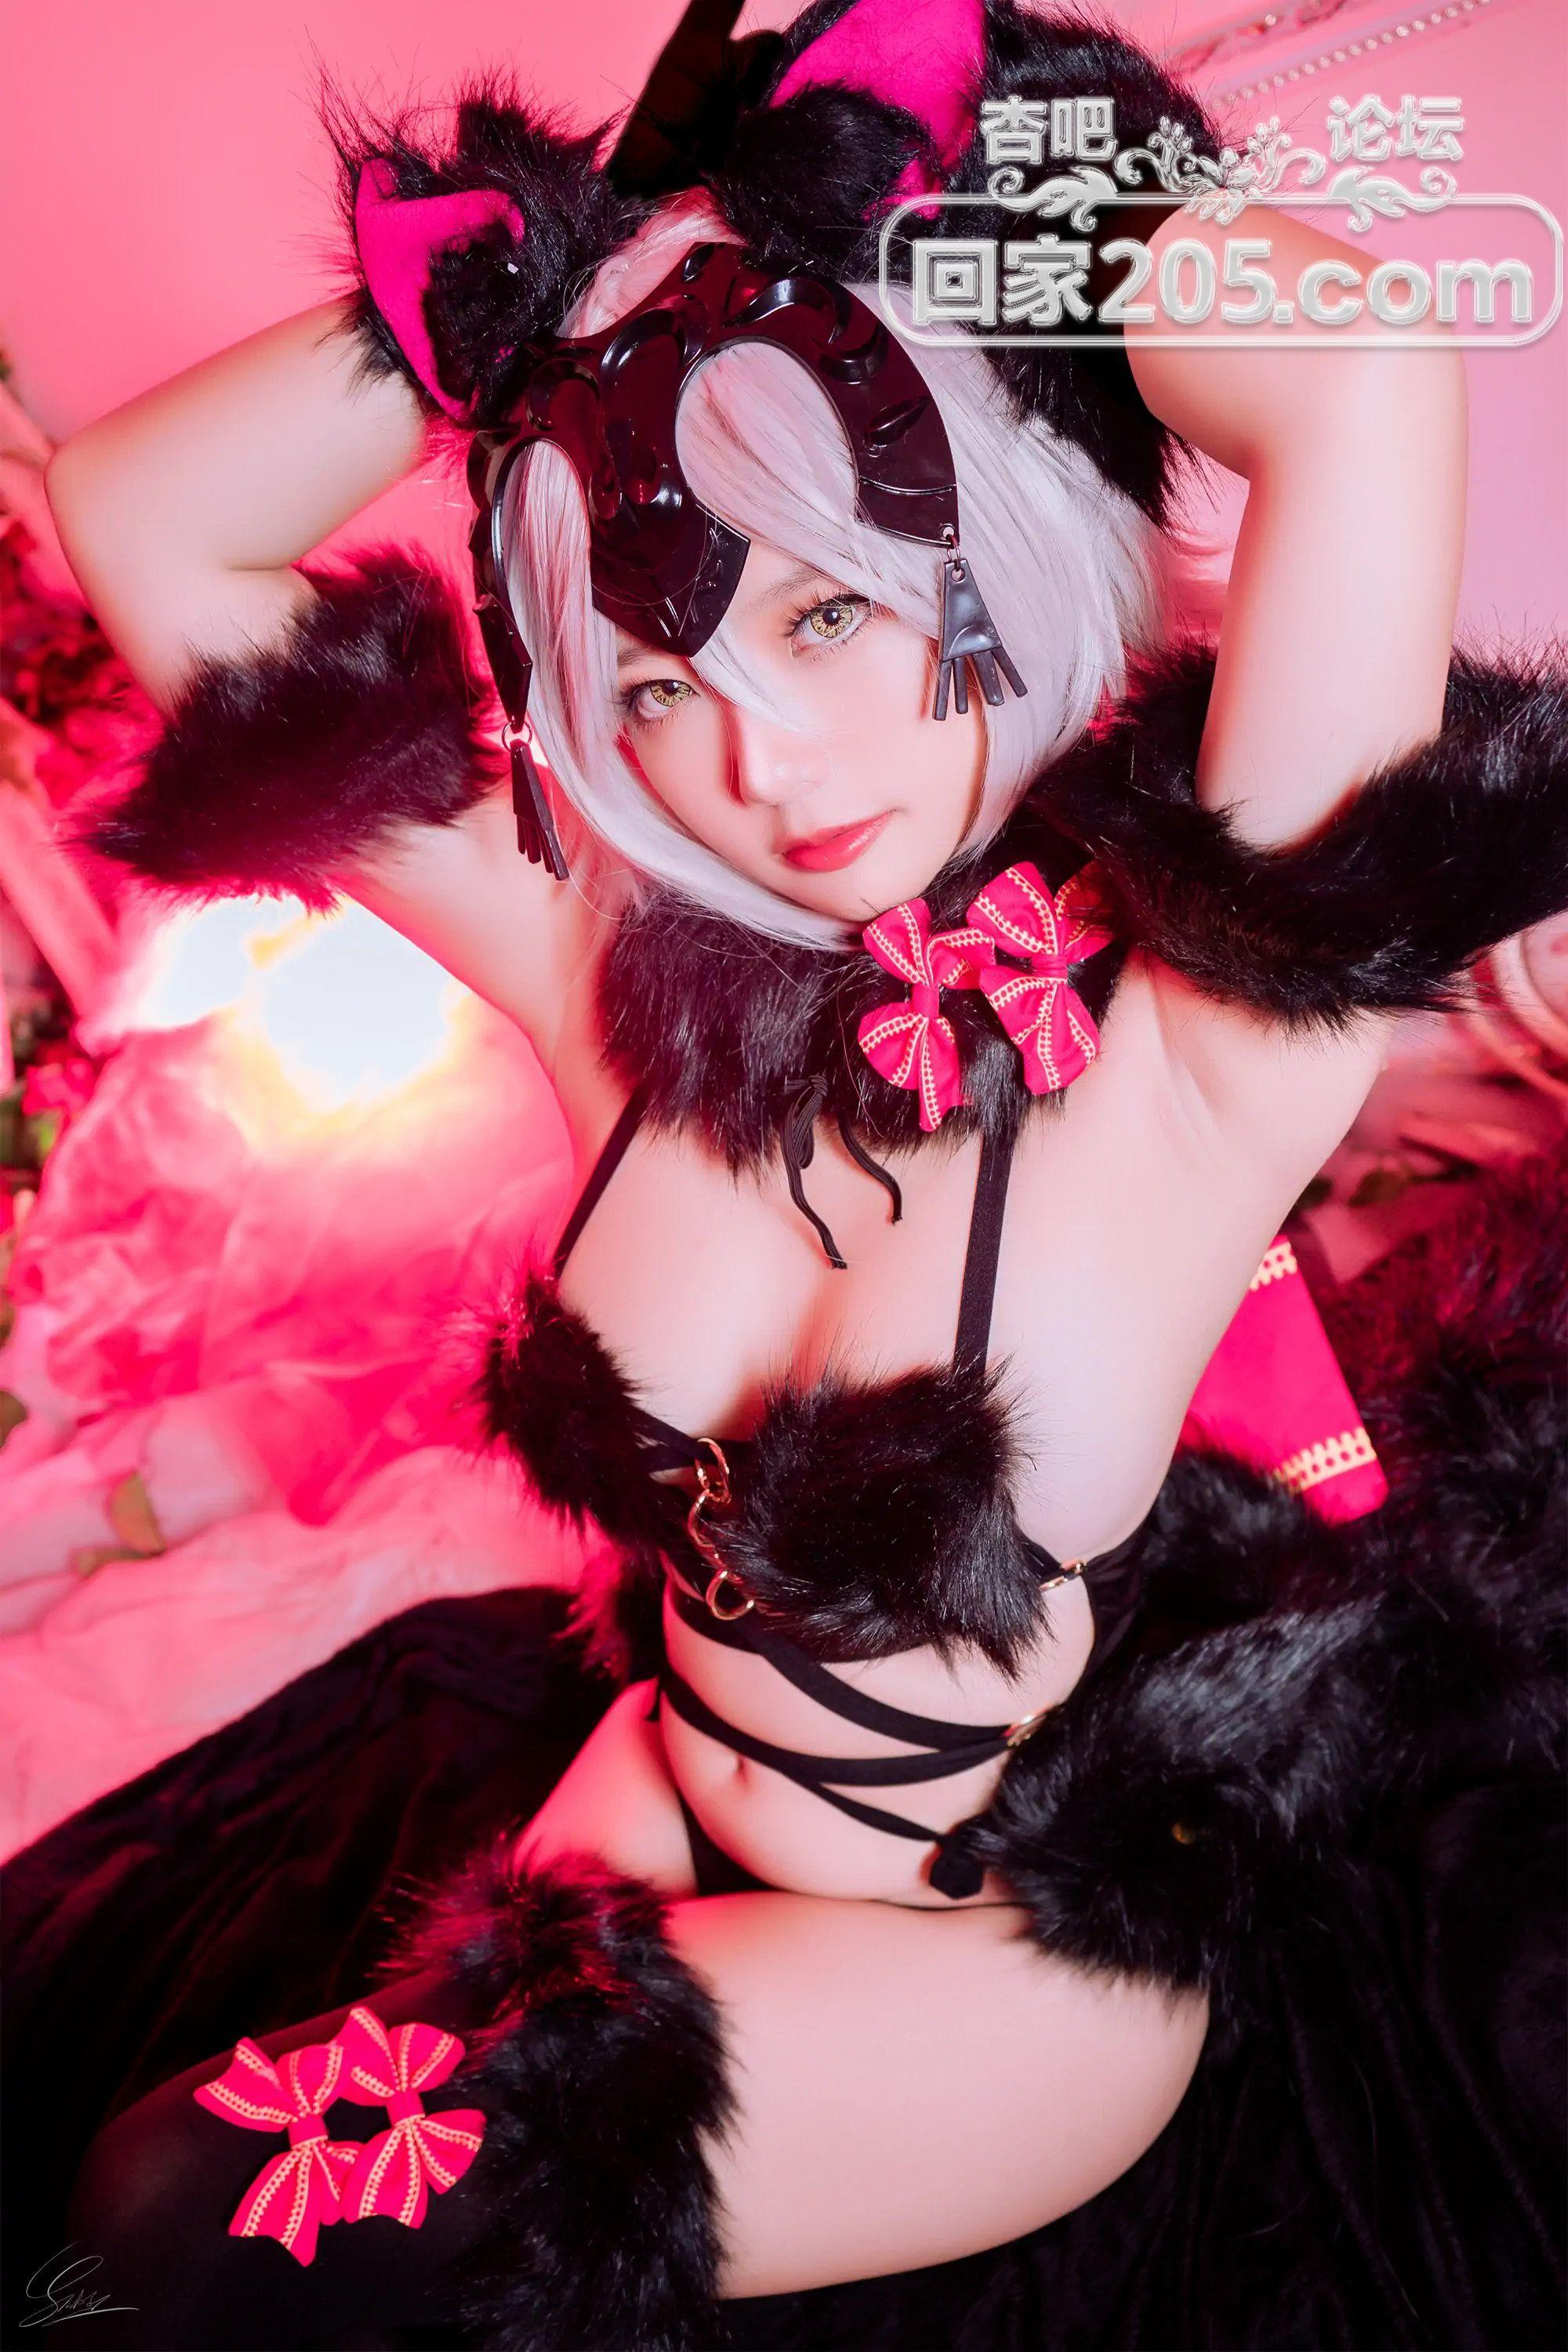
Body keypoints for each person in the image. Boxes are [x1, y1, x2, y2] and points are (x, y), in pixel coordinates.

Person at [7, 2, 1566, 2347]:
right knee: (124, 2194)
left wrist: (944, 174)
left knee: (174, 2219)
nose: (764, 763)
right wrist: (564, 256)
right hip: (648, 1795)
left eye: (828, 611)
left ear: (993, 554)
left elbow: (1356, 376)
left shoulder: (1193, 1064)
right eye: (659, 685)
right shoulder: (605, 977)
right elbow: (142, 515)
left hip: (996, 1966)